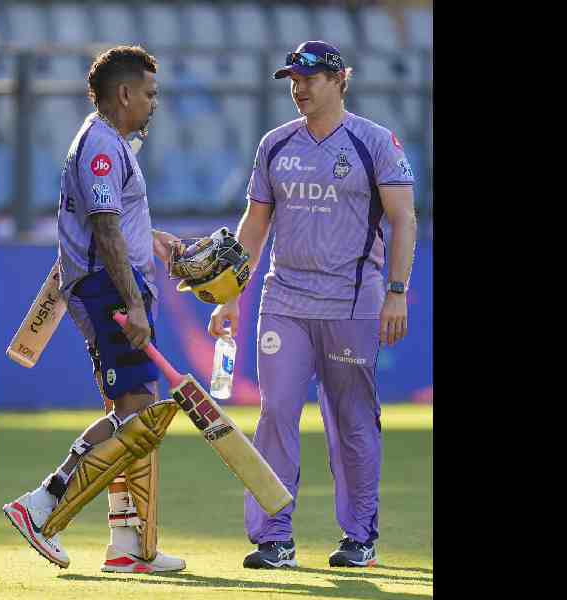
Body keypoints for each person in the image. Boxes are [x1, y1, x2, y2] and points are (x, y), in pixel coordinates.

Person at [208, 41, 417, 569]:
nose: (298, 88)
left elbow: (403, 219)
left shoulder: (375, 142)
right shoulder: (276, 144)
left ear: (339, 79)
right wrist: (230, 295)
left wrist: (396, 292)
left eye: (310, 78)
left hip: (352, 302)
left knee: (350, 419)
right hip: (284, 299)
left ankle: (359, 537)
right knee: (276, 413)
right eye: (292, 79)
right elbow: (254, 227)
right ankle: (274, 537)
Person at [3, 45, 186, 574]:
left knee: (133, 416)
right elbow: (104, 231)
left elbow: (111, 223)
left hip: (110, 283)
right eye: (149, 94)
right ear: (124, 93)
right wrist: (134, 302)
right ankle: (41, 505)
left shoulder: (107, 143)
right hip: (109, 291)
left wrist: (149, 238)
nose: (154, 103)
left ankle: (127, 544)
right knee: (136, 415)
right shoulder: (101, 147)